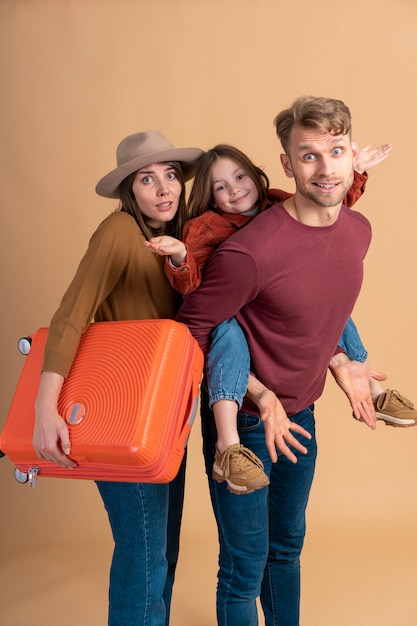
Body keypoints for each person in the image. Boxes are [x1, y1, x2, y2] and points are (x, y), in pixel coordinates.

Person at [175, 95, 405, 625]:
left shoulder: (357, 232)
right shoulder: (249, 252)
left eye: (337, 152)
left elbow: (313, 312)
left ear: (353, 157)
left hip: (301, 417)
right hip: (249, 427)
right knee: (243, 565)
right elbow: (196, 329)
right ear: (285, 164)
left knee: (286, 553)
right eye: (308, 156)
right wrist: (260, 394)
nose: (326, 169)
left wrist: (344, 362)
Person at [146, 141, 416, 495]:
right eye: (221, 187)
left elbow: (328, 210)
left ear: (257, 175)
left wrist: (354, 172)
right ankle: (227, 446)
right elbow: (192, 286)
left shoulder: (279, 203)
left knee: (332, 297)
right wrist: (180, 257)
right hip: (236, 315)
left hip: (280, 312)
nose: (235, 189)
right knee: (228, 339)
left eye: (240, 177)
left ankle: (372, 386)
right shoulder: (207, 227)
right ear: (211, 198)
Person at [31, 130, 204, 626]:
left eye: (170, 175)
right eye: (147, 179)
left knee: (161, 551)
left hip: (165, 413)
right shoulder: (119, 232)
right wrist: (46, 408)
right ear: (130, 191)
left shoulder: (177, 241)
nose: (164, 188)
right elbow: (71, 315)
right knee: (144, 553)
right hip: (121, 413)